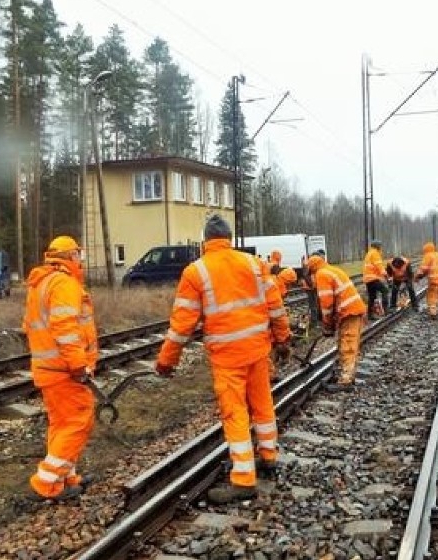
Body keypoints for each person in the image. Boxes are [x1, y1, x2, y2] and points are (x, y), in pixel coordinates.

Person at [155, 215, 292, 504]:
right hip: (257, 350)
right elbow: (276, 306)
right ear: (229, 238)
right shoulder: (254, 264)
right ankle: (269, 456)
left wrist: (167, 360)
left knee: (235, 413)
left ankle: (243, 479)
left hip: (228, 357)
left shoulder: (196, 272)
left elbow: (182, 325)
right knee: (263, 403)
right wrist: (282, 339)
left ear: (206, 240)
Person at [23, 235, 98, 501]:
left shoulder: (41, 283)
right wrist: (79, 365)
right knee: (78, 422)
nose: (81, 260)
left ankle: (66, 479)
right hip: (64, 370)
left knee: (61, 424)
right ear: (70, 257)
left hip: (48, 369)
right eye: (79, 255)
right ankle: (46, 481)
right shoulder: (64, 284)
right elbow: (65, 330)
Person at [306, 252, 366, 392]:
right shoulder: (333, 270)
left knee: (348, 345)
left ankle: (345, 381)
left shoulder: (321, 274)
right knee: (346, 343)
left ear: (312, 268)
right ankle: (347, 375)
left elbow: (326, 304)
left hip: (349, 311)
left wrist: (327, 325)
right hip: (351, 310)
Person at [414, 241, 438, 319]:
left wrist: (417, 277)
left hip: (434, 280)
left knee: (431, 295)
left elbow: (423, 268)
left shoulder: (428, 256)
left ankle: (433, 313)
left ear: (426, 249)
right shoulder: (437, 255)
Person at [362, 239, 389, 320]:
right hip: (373, 278)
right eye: (380, 246)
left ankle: (370, 315)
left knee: (372, 296)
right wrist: (387, 277)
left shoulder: (369, 253)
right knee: (385, 291)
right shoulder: (375, 254)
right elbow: (379, 266)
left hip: (367, 279)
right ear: (377, 247)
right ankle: (386, 311)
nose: (381, 248)